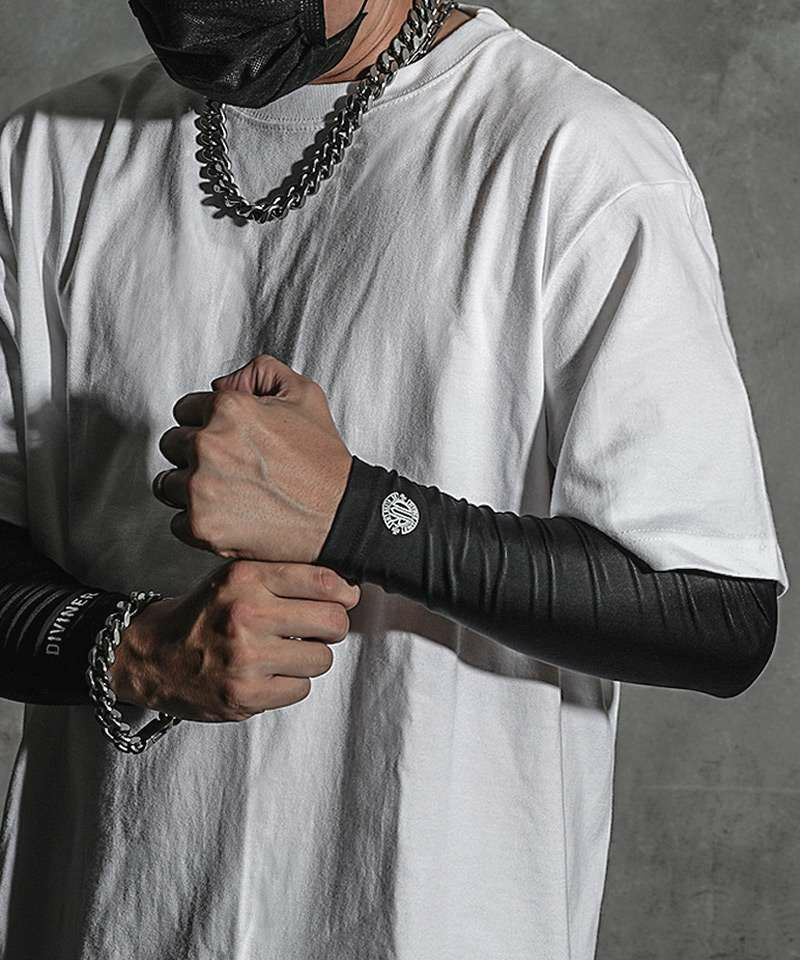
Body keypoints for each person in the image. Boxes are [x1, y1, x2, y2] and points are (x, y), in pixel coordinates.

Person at [0, 1, 789, 958]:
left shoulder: (576, 156)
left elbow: (714, 613)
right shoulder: (42, 157)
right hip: (104, 921)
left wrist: (355, 514)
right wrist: (134, 652)